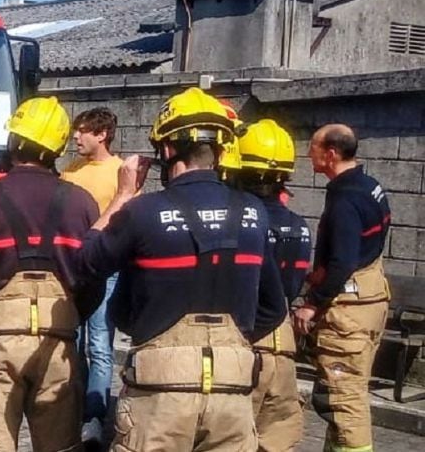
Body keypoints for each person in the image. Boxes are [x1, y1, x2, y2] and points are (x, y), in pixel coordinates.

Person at [75, 87, 283, 451]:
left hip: (160, 393)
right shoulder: (254, 212)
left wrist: (123, 195)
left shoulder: (143, 212)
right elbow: (273, 308)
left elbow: (86, 261)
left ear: (167, 150)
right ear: (220, 148)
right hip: (232, 389)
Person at [0, 96, 100, 451]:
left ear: (15, 140)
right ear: (59, 146)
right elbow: (94, 281)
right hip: (57, 341)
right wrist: (69, 316)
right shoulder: (82, 202)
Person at [294, 123, 391, 452]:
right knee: (347, 392)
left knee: (345, 401)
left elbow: (343, 261)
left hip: (349, 313)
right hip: (372, 298)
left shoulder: (345, 201)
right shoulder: (369, 185)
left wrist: (313, 303)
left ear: (331, 154)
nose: (309, 154)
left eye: (314, 148)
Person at [231, 119, 310, 451]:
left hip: (247, 346)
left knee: (231, 438)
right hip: (284, 349)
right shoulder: (299, 226)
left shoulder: (243, 223)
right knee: (276, 440)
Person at [58, 106, 123, 445]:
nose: (76, 137)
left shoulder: (119, 172)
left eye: (84, 131)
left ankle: (94, 417)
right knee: (73, 342)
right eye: (76, 130)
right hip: (73, 267)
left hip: (107, 270)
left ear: (102, 134)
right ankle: (79, 406)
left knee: (99, 343)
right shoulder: (69, 170)